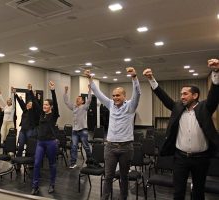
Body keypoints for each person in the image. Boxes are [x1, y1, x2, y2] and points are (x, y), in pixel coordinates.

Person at [143, 59, 219, 200]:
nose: (181, 96)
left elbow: (214, 96)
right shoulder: (178, 107)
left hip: (201, 159)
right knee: (178, 192)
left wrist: (215, 72)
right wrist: (151, 79)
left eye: (185, 94)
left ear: (195, 96)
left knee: (198, 192)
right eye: (181, 94)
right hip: (180, 158)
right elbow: (163, 97)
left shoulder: (205, 108)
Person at [85, 67, 141, 200]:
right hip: (110, 147)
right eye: (114, 95)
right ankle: (104, 198)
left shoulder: (130, 106)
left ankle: (123, 197)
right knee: (108, 176)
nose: (115, 98)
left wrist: (134, 78)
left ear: (124, 96)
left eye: (118, 95)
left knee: (124, 176)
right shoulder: (110, 104)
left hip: (126, 147)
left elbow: (138, 94)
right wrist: (90, 79)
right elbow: (98, 94)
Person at [31, 81, 60, 195]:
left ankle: (52, 184)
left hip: (51, 142)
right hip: (40, 142)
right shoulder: (41, 114)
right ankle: (35, 186)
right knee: (37, 163)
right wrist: (31, 93)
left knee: (52, 164)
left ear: (51, 106)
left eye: (47, 105)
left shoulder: (54, 115)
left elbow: (56, 104)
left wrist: (52, 90)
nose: (44, 106)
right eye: (44, 104)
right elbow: (36, 103)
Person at [63, 85, 92, 169]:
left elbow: (89, 99)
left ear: (82, 101)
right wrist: (65, 92)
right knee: (74, 146)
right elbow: (66, 102)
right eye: (76, 98)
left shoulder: (84, 107)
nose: (77, 99)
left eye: (79, 99)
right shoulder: (74, 107)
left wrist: (89, 90)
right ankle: (73, 163)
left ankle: (90, 162)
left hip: (83, 130)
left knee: (86, 146)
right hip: (75, 131)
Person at [14, 84, 41, 158]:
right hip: (23, 130)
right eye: (28, 103)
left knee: (30, 145)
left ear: (32, 106)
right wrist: (15, 94)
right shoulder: (25, 110)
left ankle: (29, 160)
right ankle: (18, 161)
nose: (29, 104)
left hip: (30, 130)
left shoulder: (34, 112)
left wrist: (30, 91)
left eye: (30, 104)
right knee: (21, 146)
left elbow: (34, 101)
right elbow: (20, 102)